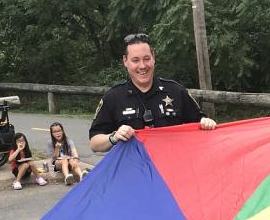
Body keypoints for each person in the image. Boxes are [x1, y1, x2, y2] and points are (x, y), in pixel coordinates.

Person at [89, 33, 217, 152]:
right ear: (125, 61)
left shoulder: (176, 91)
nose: (142, 66)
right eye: (135, 60)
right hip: (132, 171)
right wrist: (114, 137)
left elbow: (200, 122)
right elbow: (94, 143)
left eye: (146, 59)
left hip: (169, 169)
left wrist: (207, 123)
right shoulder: (113, 97)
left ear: (153, 58)